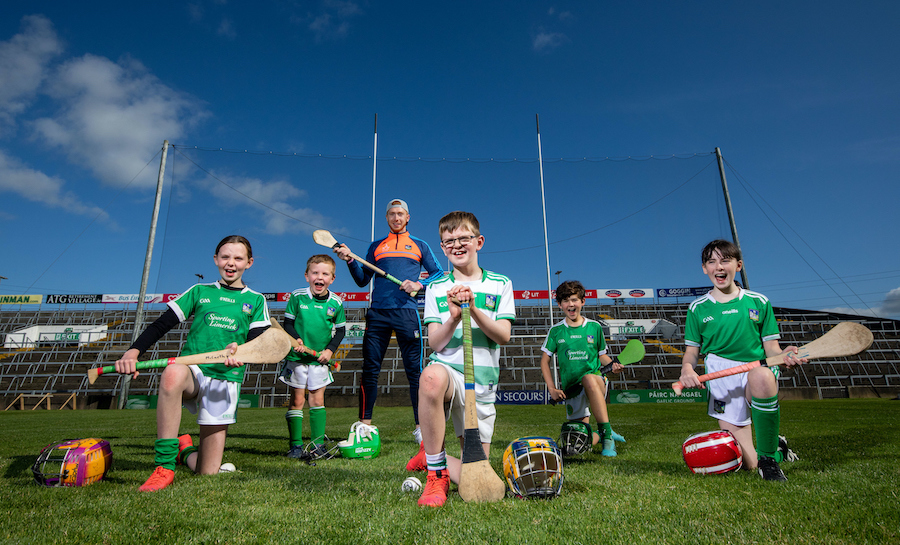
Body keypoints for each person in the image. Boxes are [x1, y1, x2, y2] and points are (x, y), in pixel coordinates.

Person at [115, 235, 270, 491]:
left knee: (207, 473)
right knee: (172, 372)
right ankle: (164, 466)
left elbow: (257, 341)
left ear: (249, 263)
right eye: (225, 257)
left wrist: (241, 351)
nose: (231, 263)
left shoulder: (255, 300)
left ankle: (185, 451)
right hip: (194, 372)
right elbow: (162, 324)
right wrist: (134, 352)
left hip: (225, 379)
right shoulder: (200, 291)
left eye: (238, 258)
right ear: (216, 260)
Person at [678, 239, 806, 481]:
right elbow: (692, 352)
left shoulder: (759, 302)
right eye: (712, 262)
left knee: (761, 376)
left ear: (738, 265)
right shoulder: (698, 308)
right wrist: (687, 369)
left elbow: (771, 349)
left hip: (757, 368)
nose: (719, 267)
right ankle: (777, 448)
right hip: (720, 374)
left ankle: (769, 462)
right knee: (747, 462)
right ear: (704, 269)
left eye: (725, 260)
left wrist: (783, 356)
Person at [412, 211, 515, 507]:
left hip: (482, 382)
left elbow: (503, 336)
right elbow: (435, 341)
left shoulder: (500, 283)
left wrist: (473, 309)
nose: (457, 245)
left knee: (476, 473)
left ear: (478, 242)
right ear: (443, 249)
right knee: (430, 378)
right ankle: (436, 478)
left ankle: (432, 455)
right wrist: (455, 317)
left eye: (464, 238)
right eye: (449, 241)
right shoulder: (436, 286)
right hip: (449, 372)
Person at [332, 198, 444, 449]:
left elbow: (438, 274)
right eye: (392, 214)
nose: (396, 218)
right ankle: (365, 424)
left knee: (415, 372)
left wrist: (418, 284)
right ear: (387, 218)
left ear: (407, 218)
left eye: (400, 214)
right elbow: (362, 280)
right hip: (378, 313)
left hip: (406, 312)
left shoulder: (419, 245)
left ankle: (420, 427)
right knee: (370, 369)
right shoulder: (376, 246)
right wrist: (350, 260)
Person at [540, 280, 625, 457]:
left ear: (582, 301)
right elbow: (544, 361)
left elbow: (602, 356)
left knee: (588, 379)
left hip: (596, 380)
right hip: (572, 389)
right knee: (576, 444)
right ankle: (599, 435)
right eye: (565, 301)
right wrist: (552, 388)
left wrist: (613, 366)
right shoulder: (556, 331)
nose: (570, 304)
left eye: (574, 300)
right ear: (559, 305)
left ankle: (607, 435)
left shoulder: (594, 327)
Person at [280, 254, 346, 460]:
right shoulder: (297, 297)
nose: (320, 277)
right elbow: (288, 323)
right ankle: (296, 446)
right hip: (297, 358)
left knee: (317, 400)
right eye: (315, 273)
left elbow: (341, 331)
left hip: (319, 361)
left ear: (332, 278)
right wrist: (297, 339)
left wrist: (329, 351)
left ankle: (317, 445)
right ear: (306, 275)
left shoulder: (336, 302)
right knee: (297, 401)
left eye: (325, 274)